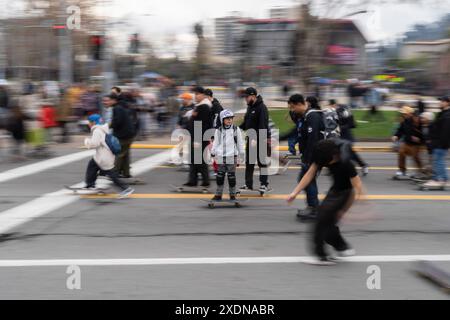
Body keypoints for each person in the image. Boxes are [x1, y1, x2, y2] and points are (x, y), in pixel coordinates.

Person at [287, 139, 365, 265]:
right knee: (326, 222)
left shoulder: (346, 163)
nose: (325, 165)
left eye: (328, 162)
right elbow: (309, 174)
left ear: (335, 155)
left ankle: (321, 255)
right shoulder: (323, 153)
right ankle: (342, 247)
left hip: (346, 194)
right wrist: (294, 193)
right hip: (334, 191)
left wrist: (344, 210)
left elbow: (357, 187)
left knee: (321, 220)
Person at [288, 94, 324, 220]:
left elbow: (312, 139)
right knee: (305, 180)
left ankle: (314, 209)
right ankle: (313, 207)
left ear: (299, 104)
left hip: (315, 156)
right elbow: (299, 134)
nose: (292, 110)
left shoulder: (312, 116)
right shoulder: (305, 116)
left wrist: (308, 159)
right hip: (310, 155)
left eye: (293, 107)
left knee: (307, 180)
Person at [83, 114, 134, 198]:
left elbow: (95, 144)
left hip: (103, 157)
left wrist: (87, 141)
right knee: (92, 166)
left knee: (111, 175)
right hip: (105, 155)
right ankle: (90, 185)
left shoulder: (97, 131)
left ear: (93, 122)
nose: (88, 124)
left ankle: (126, 189)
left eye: (89, 122)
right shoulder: (102, 129)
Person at [239, 87, 271, 193]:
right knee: (249, 163)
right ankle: (248, 184)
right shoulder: (250, 107)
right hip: (251, 139)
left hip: (260, 139)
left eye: (247, 97)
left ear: (253, 96)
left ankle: (264, 184)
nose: (245, 99)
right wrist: (237, 129)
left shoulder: (262, 107)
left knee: (262, 162)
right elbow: (246, 123)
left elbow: (263, 125)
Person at [211, 110, 245, 201]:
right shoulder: (219, 130)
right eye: (227, 119)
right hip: (221, 156)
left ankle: (232, 195)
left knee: (231, 177)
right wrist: (213, 151)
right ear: (222, 120)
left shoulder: (235, 129)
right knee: (220, 176)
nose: (229, 120)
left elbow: (240, 143)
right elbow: (216, 142)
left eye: (231, 118)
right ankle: (218, 195)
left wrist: (241, 154)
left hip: (232, 156)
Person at [329, 99, 369, 176]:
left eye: (330, 105)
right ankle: (335, 169)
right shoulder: (335, 112)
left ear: (334, 105)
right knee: (339, 152)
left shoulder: (342, 111)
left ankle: (362, 165)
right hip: (340, 136)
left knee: (348, 153)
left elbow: (352, 124)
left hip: (346, 137)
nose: (330, 107)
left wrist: (340, 127)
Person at [184, 86, 212, 188]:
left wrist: (198, 139)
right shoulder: (199, 105)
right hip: (195, 137)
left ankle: (206, 181)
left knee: (200, 160)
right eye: (194, 94)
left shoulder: (204, 106)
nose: (195, 96)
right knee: (193, 159)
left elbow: (203, 124)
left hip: (199, 138)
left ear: (202, 95)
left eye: (197, 94)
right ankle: (192, 180)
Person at [104, 93, 135, 179]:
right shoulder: (119, 107)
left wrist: (107, 126)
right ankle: (126, 173)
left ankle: (114, 174)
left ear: (114, 100)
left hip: (125, 135)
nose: (107, 102)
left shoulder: (116, 108)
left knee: (119, 153)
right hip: (128, 134)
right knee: (125, 154)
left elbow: (117, 122)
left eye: (108, 100)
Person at [422, 96, 450, 188]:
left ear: (447, 103)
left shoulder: (447, 115)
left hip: (440, 143)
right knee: (438, 161)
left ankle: (438, 179)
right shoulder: (443, 113)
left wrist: (441, 144)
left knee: (438, 161)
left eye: (442, 101)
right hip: (438, 142)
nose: (440, 102)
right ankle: (443, 179)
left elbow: (445, 131)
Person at [392, 106, 424, 178]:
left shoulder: (417, 121)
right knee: (401, 152)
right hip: (407, 142)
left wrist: (419, 138)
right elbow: (400, 130)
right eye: (403, 114)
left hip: (416, 144)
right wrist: (396, 136)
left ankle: (421, 171)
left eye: (405, 114)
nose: (403, 115)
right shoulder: (404, 121)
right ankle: (402, 170)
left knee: (415, 157)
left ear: (410, 114)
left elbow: (423, 132)